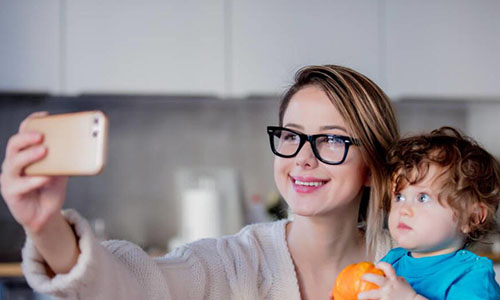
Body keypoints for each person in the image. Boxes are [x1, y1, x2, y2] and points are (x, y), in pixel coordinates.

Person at [0, 65, 399, 299]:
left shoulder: (412, 266)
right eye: (292, 136)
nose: (303, 158)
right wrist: (45, 226)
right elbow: (135, 287)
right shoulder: (236, 263)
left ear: (371, 166)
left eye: (331, 139)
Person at [358, 127, 500, 300]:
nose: (403, 210)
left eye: (423, 198)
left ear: (472, 217)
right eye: (399, 197)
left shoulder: (472, 277)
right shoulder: (391, 261)